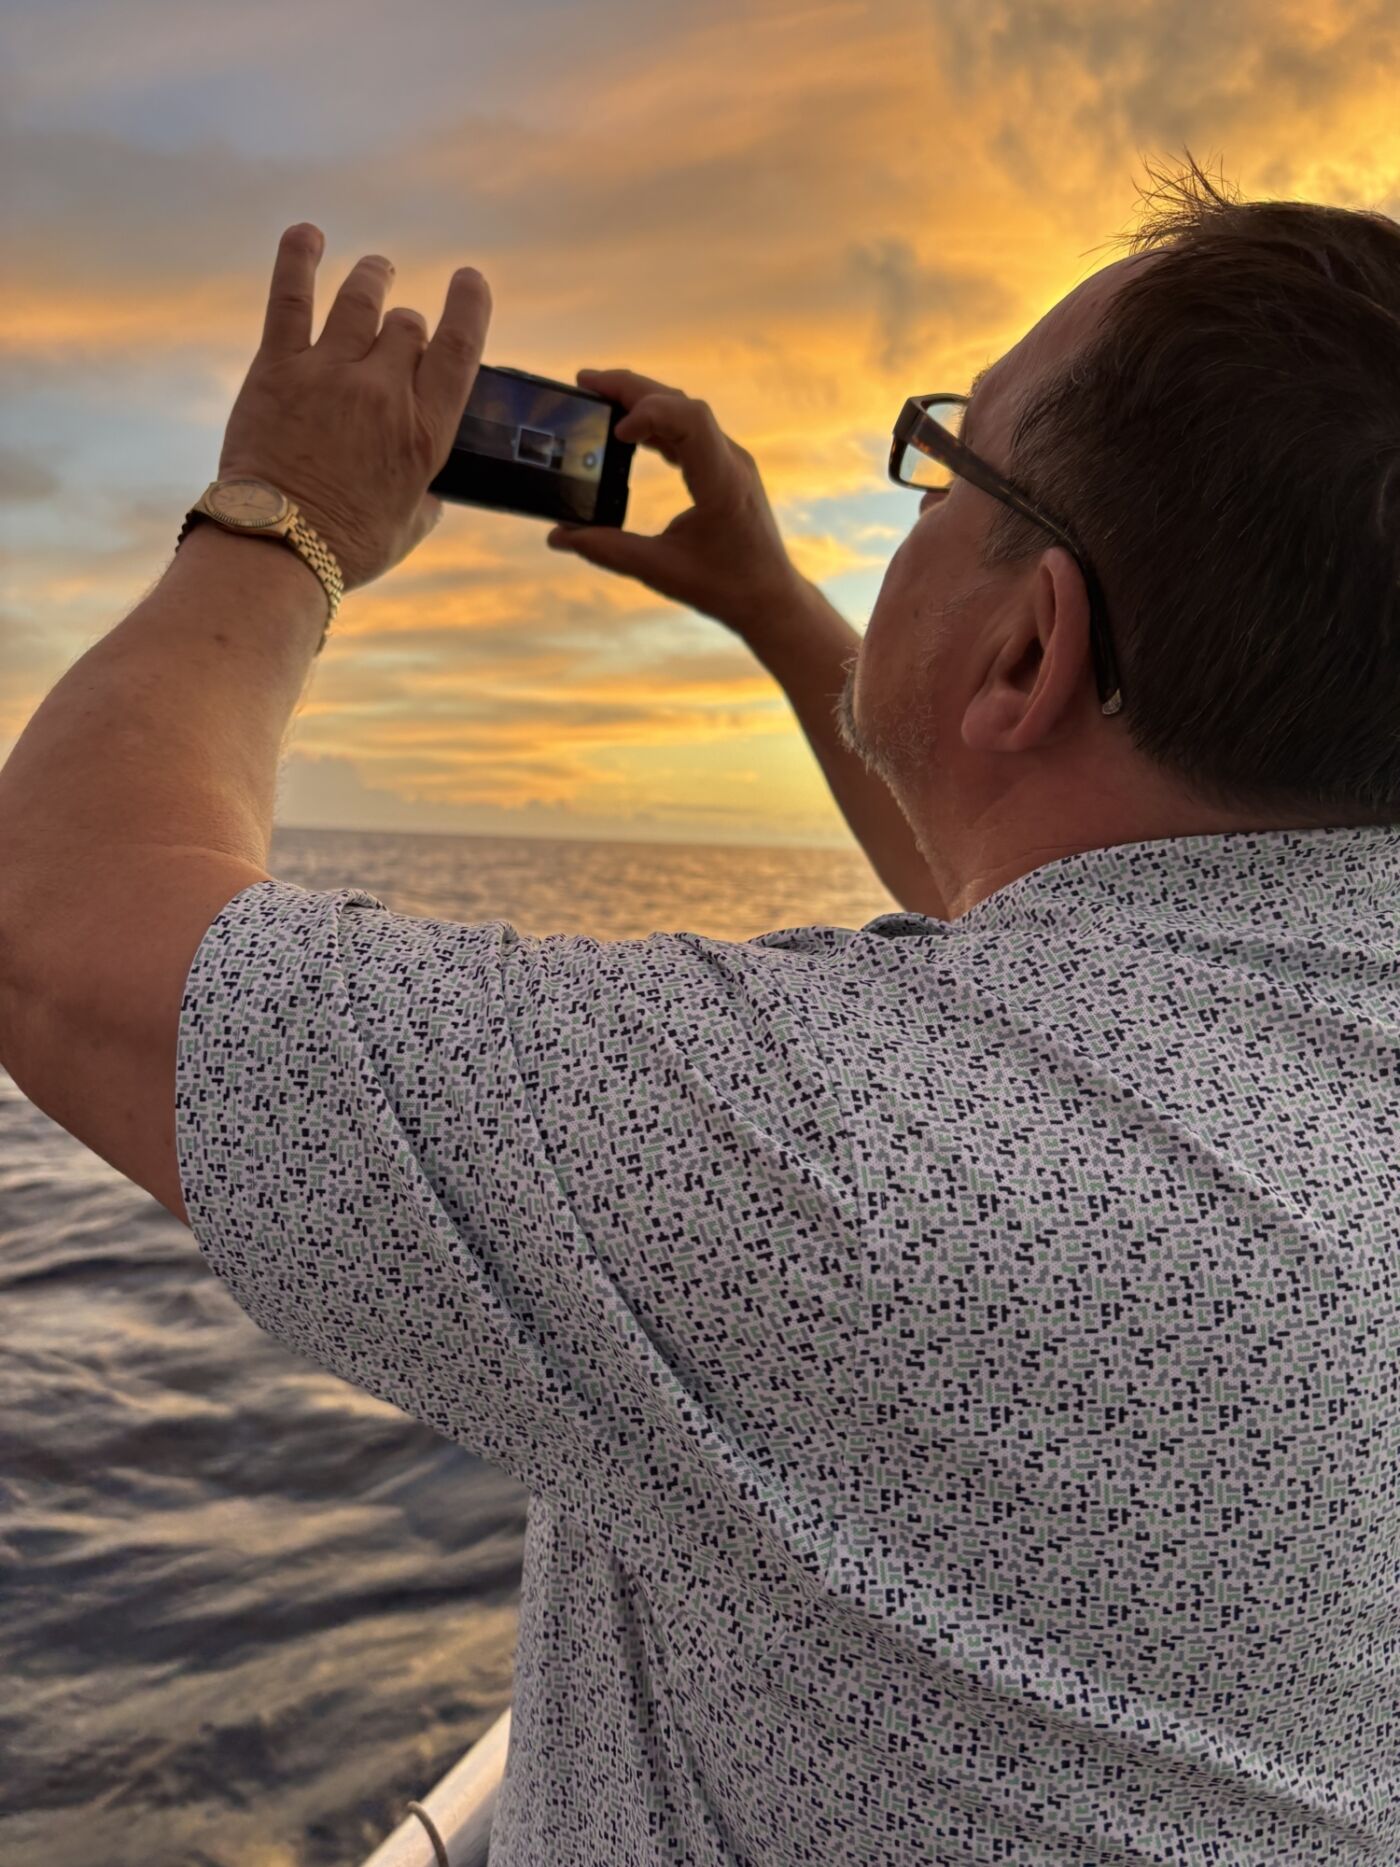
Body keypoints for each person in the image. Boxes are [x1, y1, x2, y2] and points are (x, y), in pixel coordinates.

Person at [1, 154, 1397, 1865]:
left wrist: (283, 511)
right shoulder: (1261, 1052)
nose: (914, 508)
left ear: (1028, 652)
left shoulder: (852, 1159)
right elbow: (1060, 928)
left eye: (947, 464)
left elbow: (59, 931)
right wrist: (765, 599)